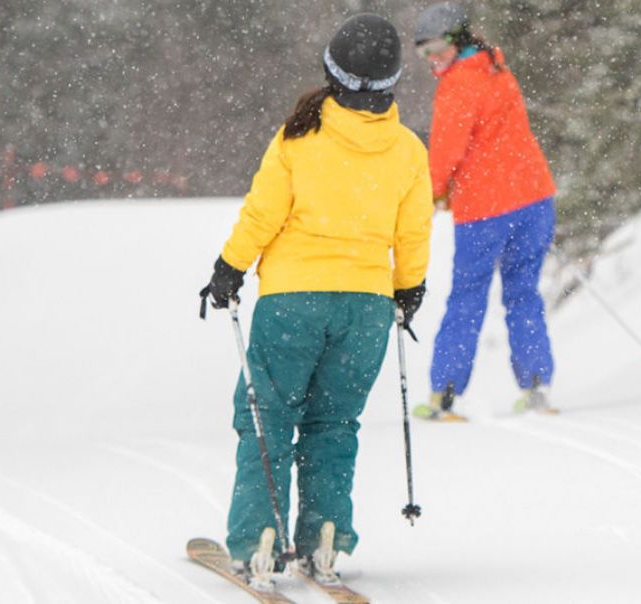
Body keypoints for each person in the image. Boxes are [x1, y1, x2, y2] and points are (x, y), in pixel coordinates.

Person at [198, 14, 432, 591]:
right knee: (333, 423)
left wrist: (229, 267)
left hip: (292, 302)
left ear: (331, 71)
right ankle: (325, 538)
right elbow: (414, 232)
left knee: (266, 418)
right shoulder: (406, 150)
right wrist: (410, 287)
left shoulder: (299, 136)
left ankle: (260, 542)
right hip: (367, 308)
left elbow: (263, 212)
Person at [410, 3, 560, 421]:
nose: (432, 59)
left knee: (468, 298)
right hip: (534, 200)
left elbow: (445, 152)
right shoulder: (498, 70)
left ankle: (444, 395)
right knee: (523, 294)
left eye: (436, 48)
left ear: (457, 40)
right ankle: (536, 388)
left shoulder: (458, 85)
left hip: (486, 211)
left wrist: (433, 192)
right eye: (424, 53)